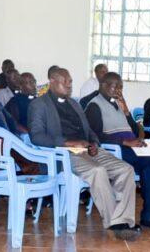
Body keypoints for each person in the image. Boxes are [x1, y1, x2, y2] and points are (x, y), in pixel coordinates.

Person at [29, 68, 139, 241]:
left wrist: (94, 143)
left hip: (88, 150)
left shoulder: (74, 104)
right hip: (64, 154)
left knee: (126, 169)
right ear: (52, 81)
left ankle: (124, 219)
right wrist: (67, 143)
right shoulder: (39, 105)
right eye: (64, 81)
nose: (69, 85)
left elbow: (89, 130)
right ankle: (115, 223)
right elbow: (36, 136)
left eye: (70, 81)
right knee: (98, 171)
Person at [86, 73, 150, 230]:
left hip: (132, 145)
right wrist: (126, 142)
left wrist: (126, 112)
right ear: (104, 85)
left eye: (121, 87)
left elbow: (134, 130)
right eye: (115, 87)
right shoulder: (94, 106)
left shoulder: (118, 104)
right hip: (116, 149)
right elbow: (96, 136)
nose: (119, 91)